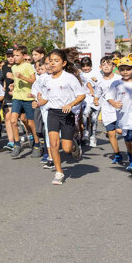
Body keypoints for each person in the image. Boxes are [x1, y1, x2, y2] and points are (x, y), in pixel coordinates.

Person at [35, 49, 85, 185]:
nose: (52, 64)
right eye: (50, 61)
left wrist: (71, 104)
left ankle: (74, 146)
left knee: (66, 148)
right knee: (53, 144)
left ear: (63, 63)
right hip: (53, 113)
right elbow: (45, 98)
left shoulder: (69, 78)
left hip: (67, 113)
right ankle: (59, 172)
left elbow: (81, 95)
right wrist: (38, 102)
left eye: (56, 61)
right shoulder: (47, 79)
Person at [7, 45, 42, 159]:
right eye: (14, 56)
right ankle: (17, 144)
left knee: (31, 123)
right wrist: (13, 85)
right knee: (12, 120)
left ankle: (37, 144)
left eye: (17, 56)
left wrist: (22, 77)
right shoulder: (13, 67)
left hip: (28, 98)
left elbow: (34, 81)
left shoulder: (27, 66)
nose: (15, 58)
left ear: (24, 56)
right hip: (17, 97)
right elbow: (17, 82)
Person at [96, 56, 123, 164]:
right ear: (100, 67)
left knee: (120, 131)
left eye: (108, 64)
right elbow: (97, 93)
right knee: (111, 134)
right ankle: (117, 154)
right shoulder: (99, 81)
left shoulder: (118, 79)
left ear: (113, 66)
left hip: (120, 109)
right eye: (104, 64)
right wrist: (96, 99)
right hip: (107, 111)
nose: (106, 66)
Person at [31, 59, 52, 167]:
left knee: (55, 133)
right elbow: (36, 90)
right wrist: (35, 96)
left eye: (50, 64)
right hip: (44, 108)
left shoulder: (59, 76)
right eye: (46, 65)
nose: (49, 66)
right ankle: (49, 156)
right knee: (45, 131)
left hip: (57, 108)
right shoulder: (41, 78)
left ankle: (72, 144)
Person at [78, 57, 100, 148]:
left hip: (95, 98)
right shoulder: (80, 74)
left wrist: (96, 81)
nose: (86, 68)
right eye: (83, 66)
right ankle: (86, 130)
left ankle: (93, 136)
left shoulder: (96, 74)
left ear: (91, 66)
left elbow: (100, 85)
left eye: (88, 66)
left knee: (94, 119)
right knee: (85, 114)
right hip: (85, 99)